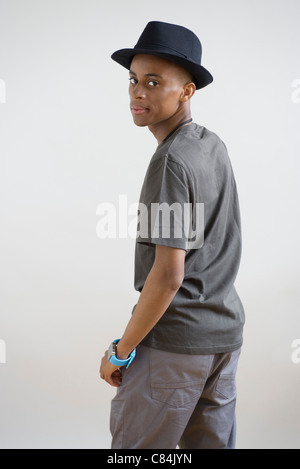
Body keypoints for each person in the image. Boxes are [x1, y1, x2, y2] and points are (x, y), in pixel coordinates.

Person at [99, 21, 245, 449]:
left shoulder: (170, 163)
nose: (138, 92)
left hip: (175, 348)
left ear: (187, 92)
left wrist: (122, 350)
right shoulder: (211, 145)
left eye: (154, 82)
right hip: (223, 341)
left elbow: (167, 276)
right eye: (133, 80)